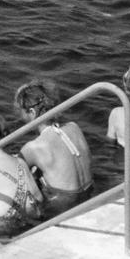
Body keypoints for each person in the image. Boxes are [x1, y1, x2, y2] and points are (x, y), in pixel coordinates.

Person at [15, 79, 93, 212]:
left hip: (62, 203)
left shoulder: (33, 147)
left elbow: (13, 171)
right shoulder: (74, 127)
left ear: (32, 112)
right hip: (90, 192)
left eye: (21, 111)